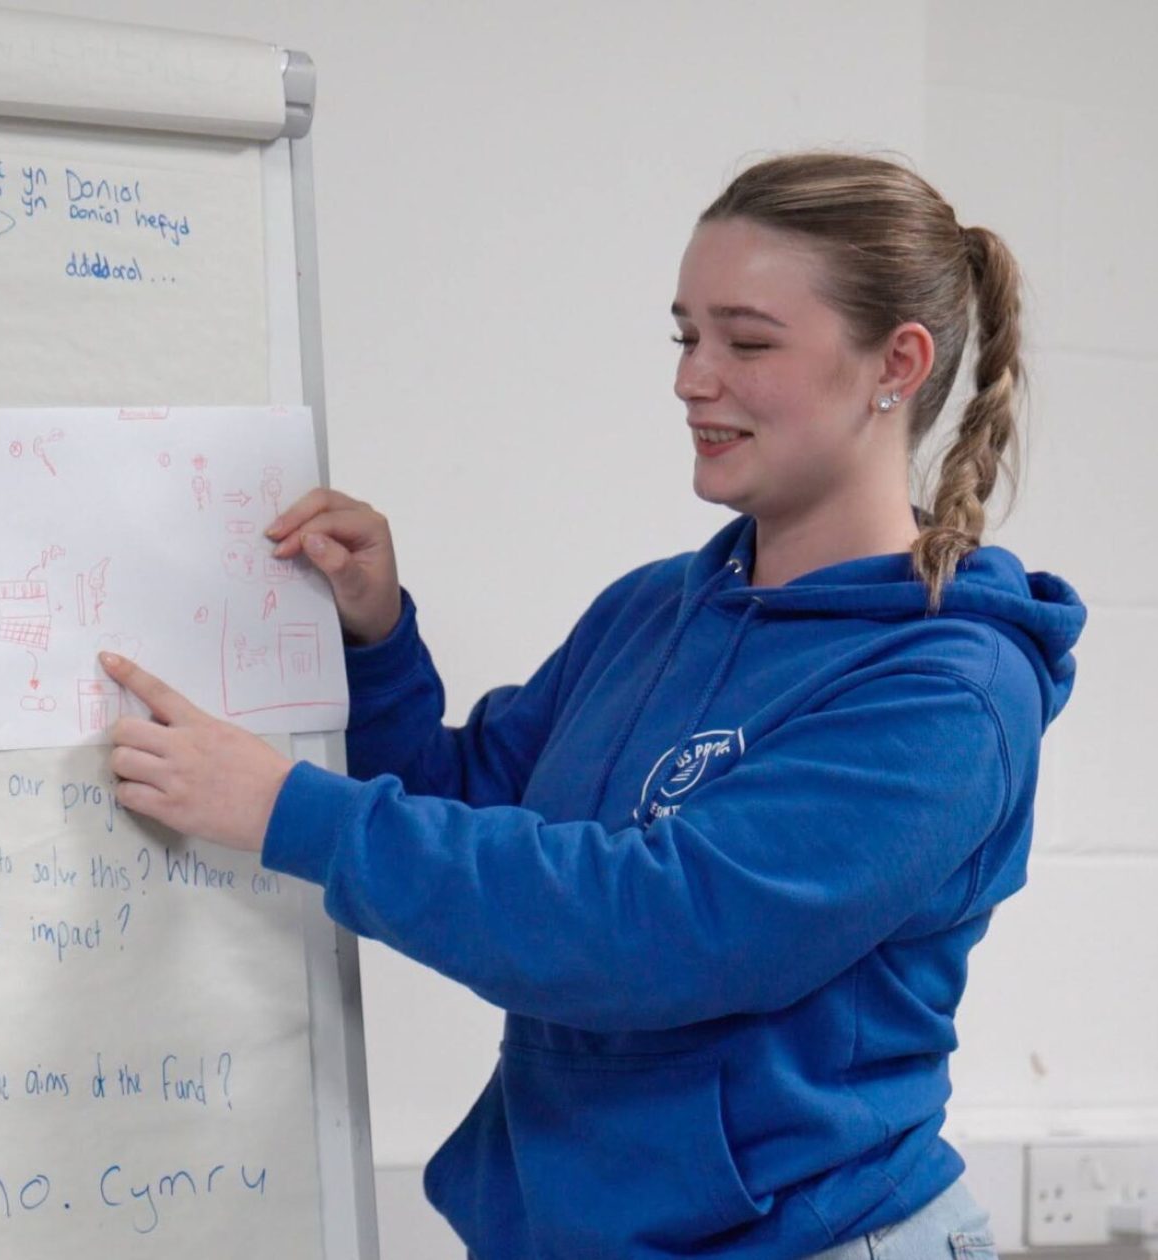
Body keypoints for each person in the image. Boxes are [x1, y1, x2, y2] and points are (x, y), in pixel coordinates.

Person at [101, 152, 1086, 1259]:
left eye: (746, 342)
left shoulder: (947, 692)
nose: (690, 379)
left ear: (893, 364)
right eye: (684, 336)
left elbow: (652, 932)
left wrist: (287, 810)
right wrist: (376, 638)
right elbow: (466, 805)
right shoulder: (654, 611)